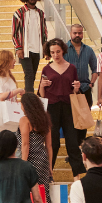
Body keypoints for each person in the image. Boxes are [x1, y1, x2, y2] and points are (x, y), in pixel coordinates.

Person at [38, 38, 85, 177]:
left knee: (72, 142)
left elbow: (75, 91)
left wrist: (77, 88)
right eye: (52, 52)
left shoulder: (71, 68)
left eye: (58, 51)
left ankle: (78, 175)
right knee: (53, 142)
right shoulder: (46, 68)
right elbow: (41, 95)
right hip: (51, 107)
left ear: (63, 51)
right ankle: (48, 174)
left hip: (68, 106)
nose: (55, 55)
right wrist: (42, 86)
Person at [18, 91, 54, 203]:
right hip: (43, 159)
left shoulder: (25, 120)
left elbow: (25, 144)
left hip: (30, 159)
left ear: (26, 105)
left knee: (27, 192)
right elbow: (49, 146)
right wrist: (49, 165)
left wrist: (23, 164)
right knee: (44, 192)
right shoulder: (45, 119)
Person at [63, 24, 98, 143]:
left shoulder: (88, 50)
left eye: (80, 33)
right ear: (70, 33)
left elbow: (95, 69)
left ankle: (81, 146)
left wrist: (91, 84)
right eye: (75, 33)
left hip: (84, 89)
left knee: (84, 120)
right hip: (68, 90)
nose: (77, 35)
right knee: (70, 120)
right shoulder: (64, 49)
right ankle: (72, 148)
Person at [11, 0, 48, 91]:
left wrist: (45, 49)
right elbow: (14, 33)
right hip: (24, 50)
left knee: (33, 75)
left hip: (37, 49)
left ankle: (29, 97)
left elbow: (45, 33)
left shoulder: (41, 13)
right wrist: (18, 48)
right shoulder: (19, 13)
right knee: (29, 75)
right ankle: (29, 99)